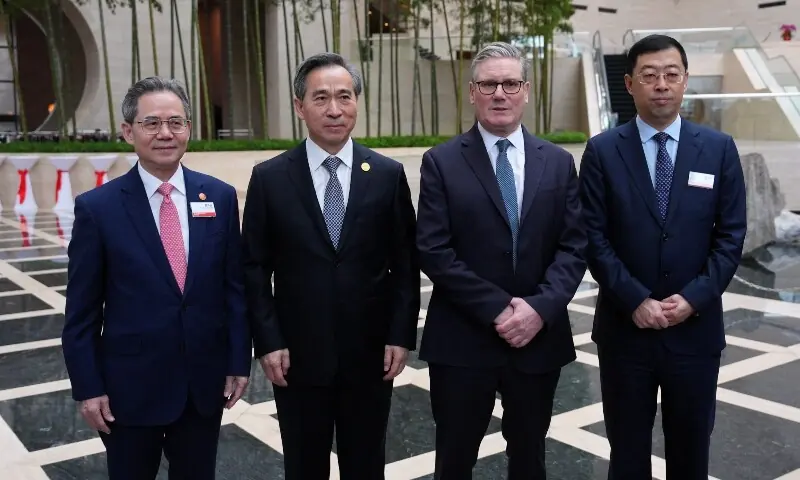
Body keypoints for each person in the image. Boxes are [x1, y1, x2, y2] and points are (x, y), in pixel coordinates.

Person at [61, 77, 251, 480]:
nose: (166, 133)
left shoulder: (217, 196)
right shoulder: (99, 209)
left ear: (188, 129)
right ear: (129, 131)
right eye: (152, 123)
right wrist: (88, 387)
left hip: (203, 386)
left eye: (176, 122)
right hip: (128, 391)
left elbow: (233, 288)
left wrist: (238, 360)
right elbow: (81, 312)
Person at [241, 52, 419, 479]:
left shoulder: (387, 174)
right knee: (304, 464)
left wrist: (400, 334)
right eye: (321, 98)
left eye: (344, 96)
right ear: (300, 107)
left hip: (371, 353)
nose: (334, 109)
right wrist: (267, 341)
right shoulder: (269, 178)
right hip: (296, 357)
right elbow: (252, 267)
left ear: (357, 102)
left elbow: (406, 263)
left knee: (366, 462)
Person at [416, 41, 587, 479]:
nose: (499, 93)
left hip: (538, 340)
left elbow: (574, 246)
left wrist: (539, 308)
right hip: (462, 341)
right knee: (454, 459)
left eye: (510, 83)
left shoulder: (558, 162)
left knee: (529, 457)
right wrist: (499, 309)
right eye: (488, 84)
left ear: (526, 90)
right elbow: (434, 249)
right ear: (472, 92)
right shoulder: (441, 162)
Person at [578, 34, 747, 479]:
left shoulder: (718, 149)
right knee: (627, 455)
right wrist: (635, 299)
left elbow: (730, 237)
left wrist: (693, 298)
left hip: (695, 332)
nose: (661, 84)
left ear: (685, 81)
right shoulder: (602, 151)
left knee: (691, 454)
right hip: (625, 333)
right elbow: (593, 236)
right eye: (649, 76)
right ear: (630, 83)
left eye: (671, 75)